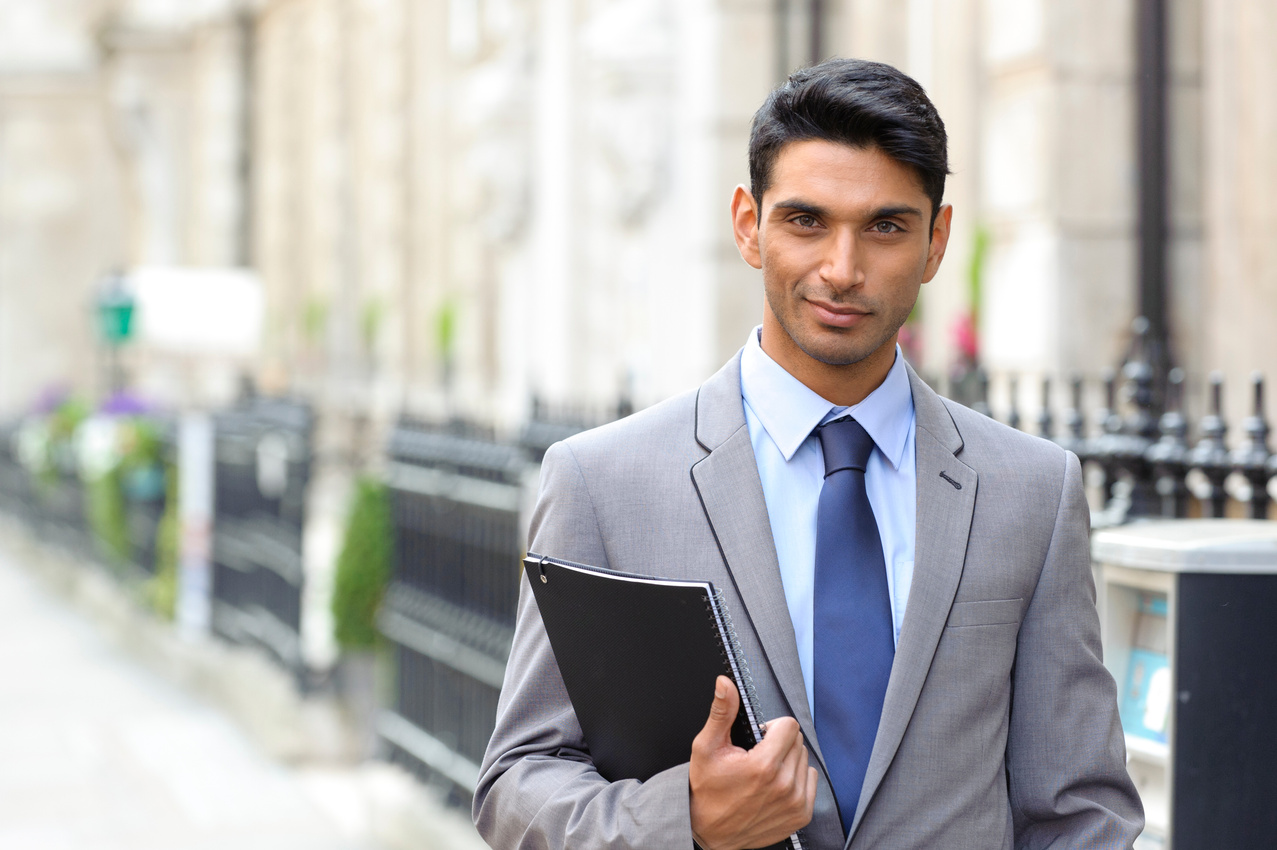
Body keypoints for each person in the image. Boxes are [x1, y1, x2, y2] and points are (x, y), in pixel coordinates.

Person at [473, 58, 1143, 850]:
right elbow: (517, 781)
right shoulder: (601, 482)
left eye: (885, 226)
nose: (841, 269)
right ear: (748, 226)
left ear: (936, 242)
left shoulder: (1031, 490)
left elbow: (1078, 812)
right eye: (805, 221)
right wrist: (682, 820)